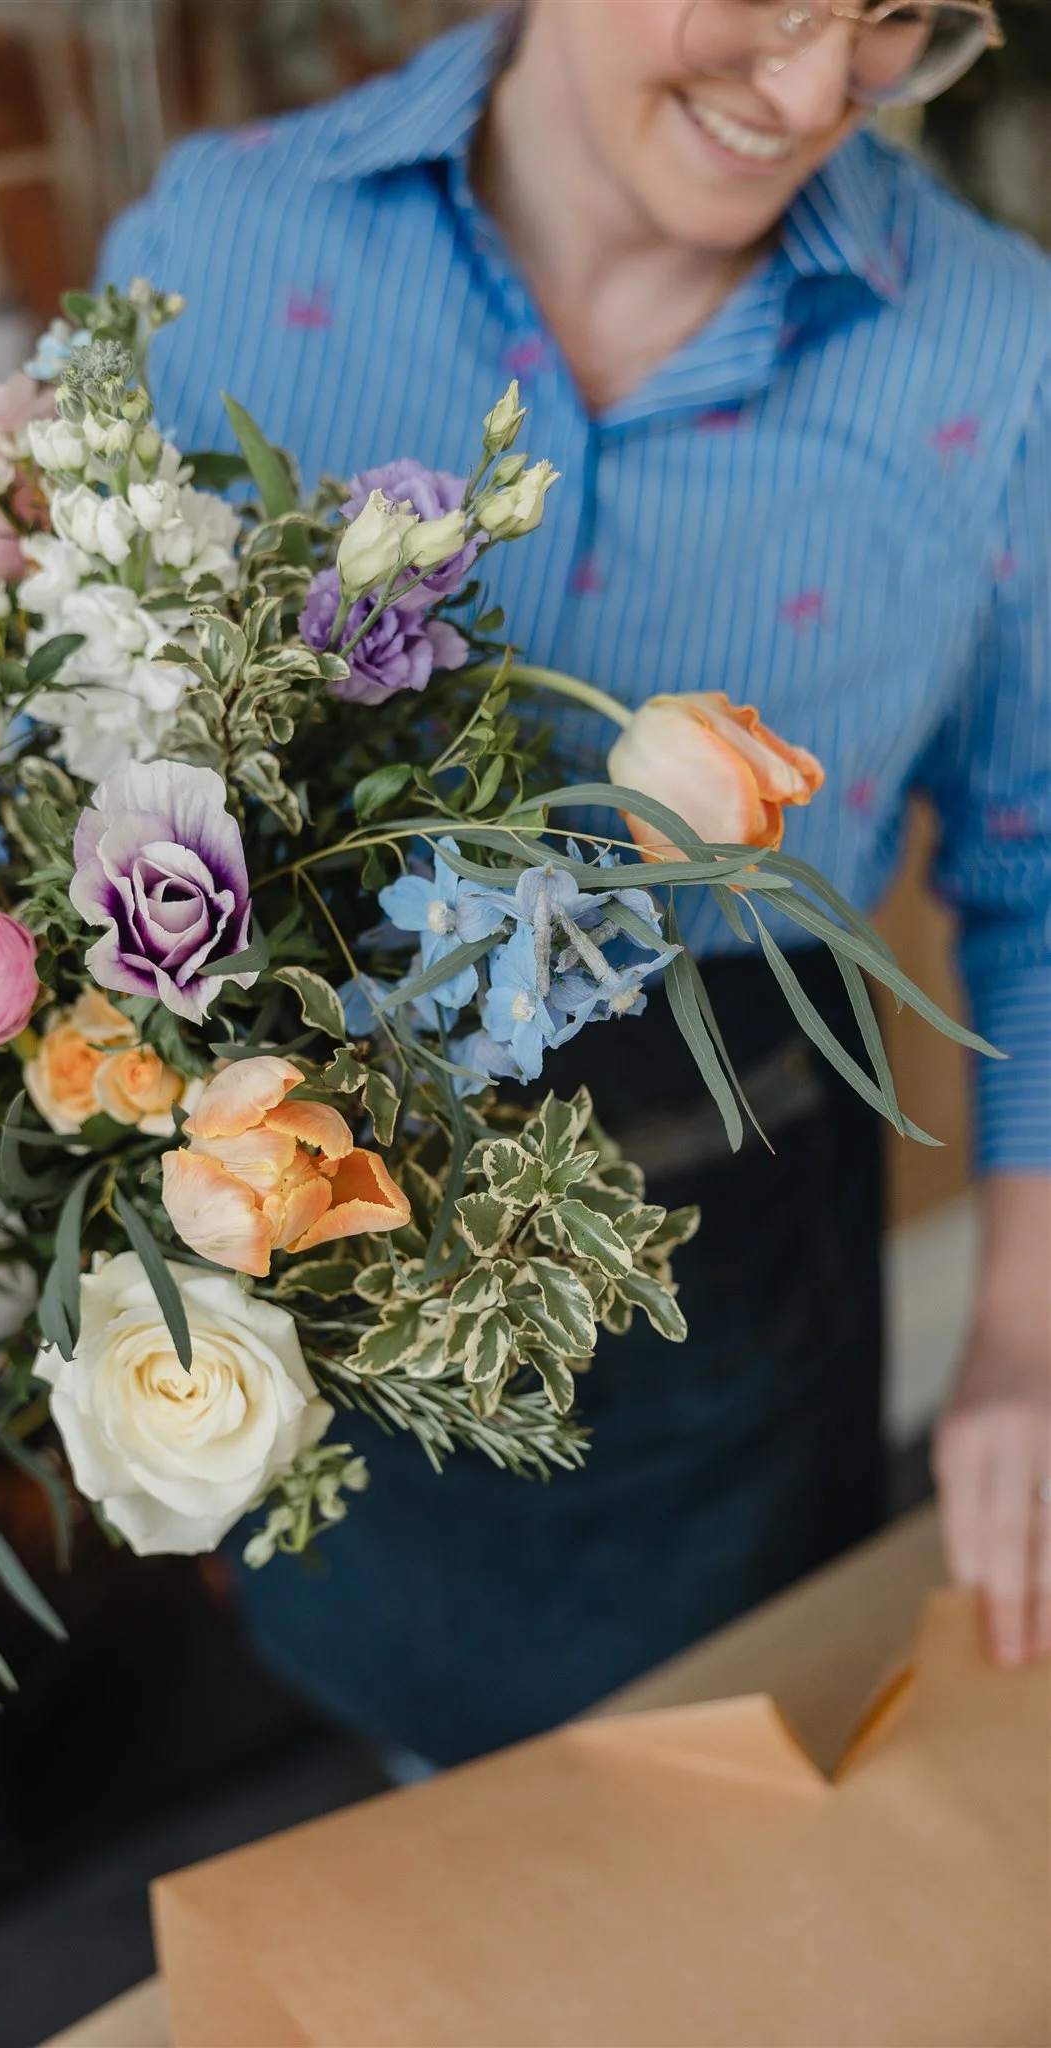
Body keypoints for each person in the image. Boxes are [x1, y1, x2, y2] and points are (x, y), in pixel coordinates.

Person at [97, 1, 1051, 1763]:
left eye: (899, 18)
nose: (814, 89)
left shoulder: (992, 358)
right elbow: (69, 774)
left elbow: (1046, 866)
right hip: (301, 1249)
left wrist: (1022, 1333)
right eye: (768, 0)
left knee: (733, 1826)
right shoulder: (222, 248)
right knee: (410, 1796)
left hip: (728, 1288)